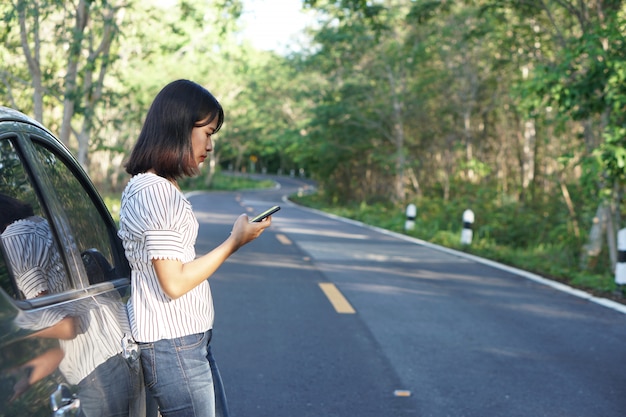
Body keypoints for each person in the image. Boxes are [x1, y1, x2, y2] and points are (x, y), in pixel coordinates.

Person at [118, 79, 271, 417]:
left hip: (184, 342)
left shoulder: (155, 187)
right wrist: (234, 242)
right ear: (180, 128)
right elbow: (175, 283)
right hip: (174, 345)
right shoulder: (155, 192)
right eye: (208, 132)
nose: (210, 145)